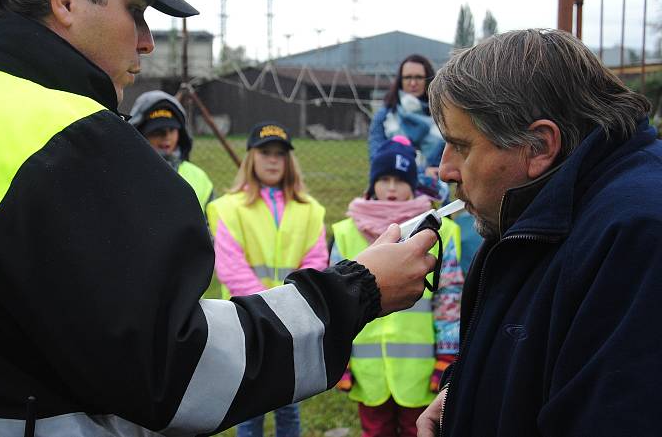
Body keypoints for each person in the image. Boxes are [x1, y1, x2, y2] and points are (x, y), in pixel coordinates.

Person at [0, 0, 439, 436]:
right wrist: (357, 290)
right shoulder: (69, 141)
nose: (144, 41)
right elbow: (179, 370)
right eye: (135, 11)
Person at [416, 29, 661, 437]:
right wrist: (466, 392)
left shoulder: (637, 239)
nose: (445, 170)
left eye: (461, 145)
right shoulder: (545, 206)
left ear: (538, 146)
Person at [331, 137, 463, 437]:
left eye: (400, 180)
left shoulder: (441, 233)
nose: (391, 188)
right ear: (372, 183)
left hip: (419, 369)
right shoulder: (345, 233)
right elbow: (339, 301)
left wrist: (447, 357)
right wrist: (340, 359)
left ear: (414, 185)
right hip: (370, 370)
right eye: (384, 179)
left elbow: (449, 302)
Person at [207, 121, 327, 437]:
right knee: (248, 410)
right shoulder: (227, 209)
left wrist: (288, 314)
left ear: (289, 161)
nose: (272, 160)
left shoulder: (311, 211)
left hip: (293, 327)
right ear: (251, 158)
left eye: (279, 154)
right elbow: (233, 270)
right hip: (248, 325)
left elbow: (314, 265)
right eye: (265, 153)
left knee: (290, 406)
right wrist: (273, 312)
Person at [129, 90, 214, 211]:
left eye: (172, 130)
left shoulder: (198, 177)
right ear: (140, 133)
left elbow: (210, 225)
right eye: (158, 131)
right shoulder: (127, 174)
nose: (167, 137)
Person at [368, 55, 445, 171]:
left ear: (428, 80)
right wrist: (422, 172)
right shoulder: (385, 116)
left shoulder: (441, 116)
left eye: (419, 77)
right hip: (394, 183)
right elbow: (377, 159)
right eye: (408, 77)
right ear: (400, 80)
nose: (413, 83)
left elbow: (446, 162)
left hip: (434, 187)